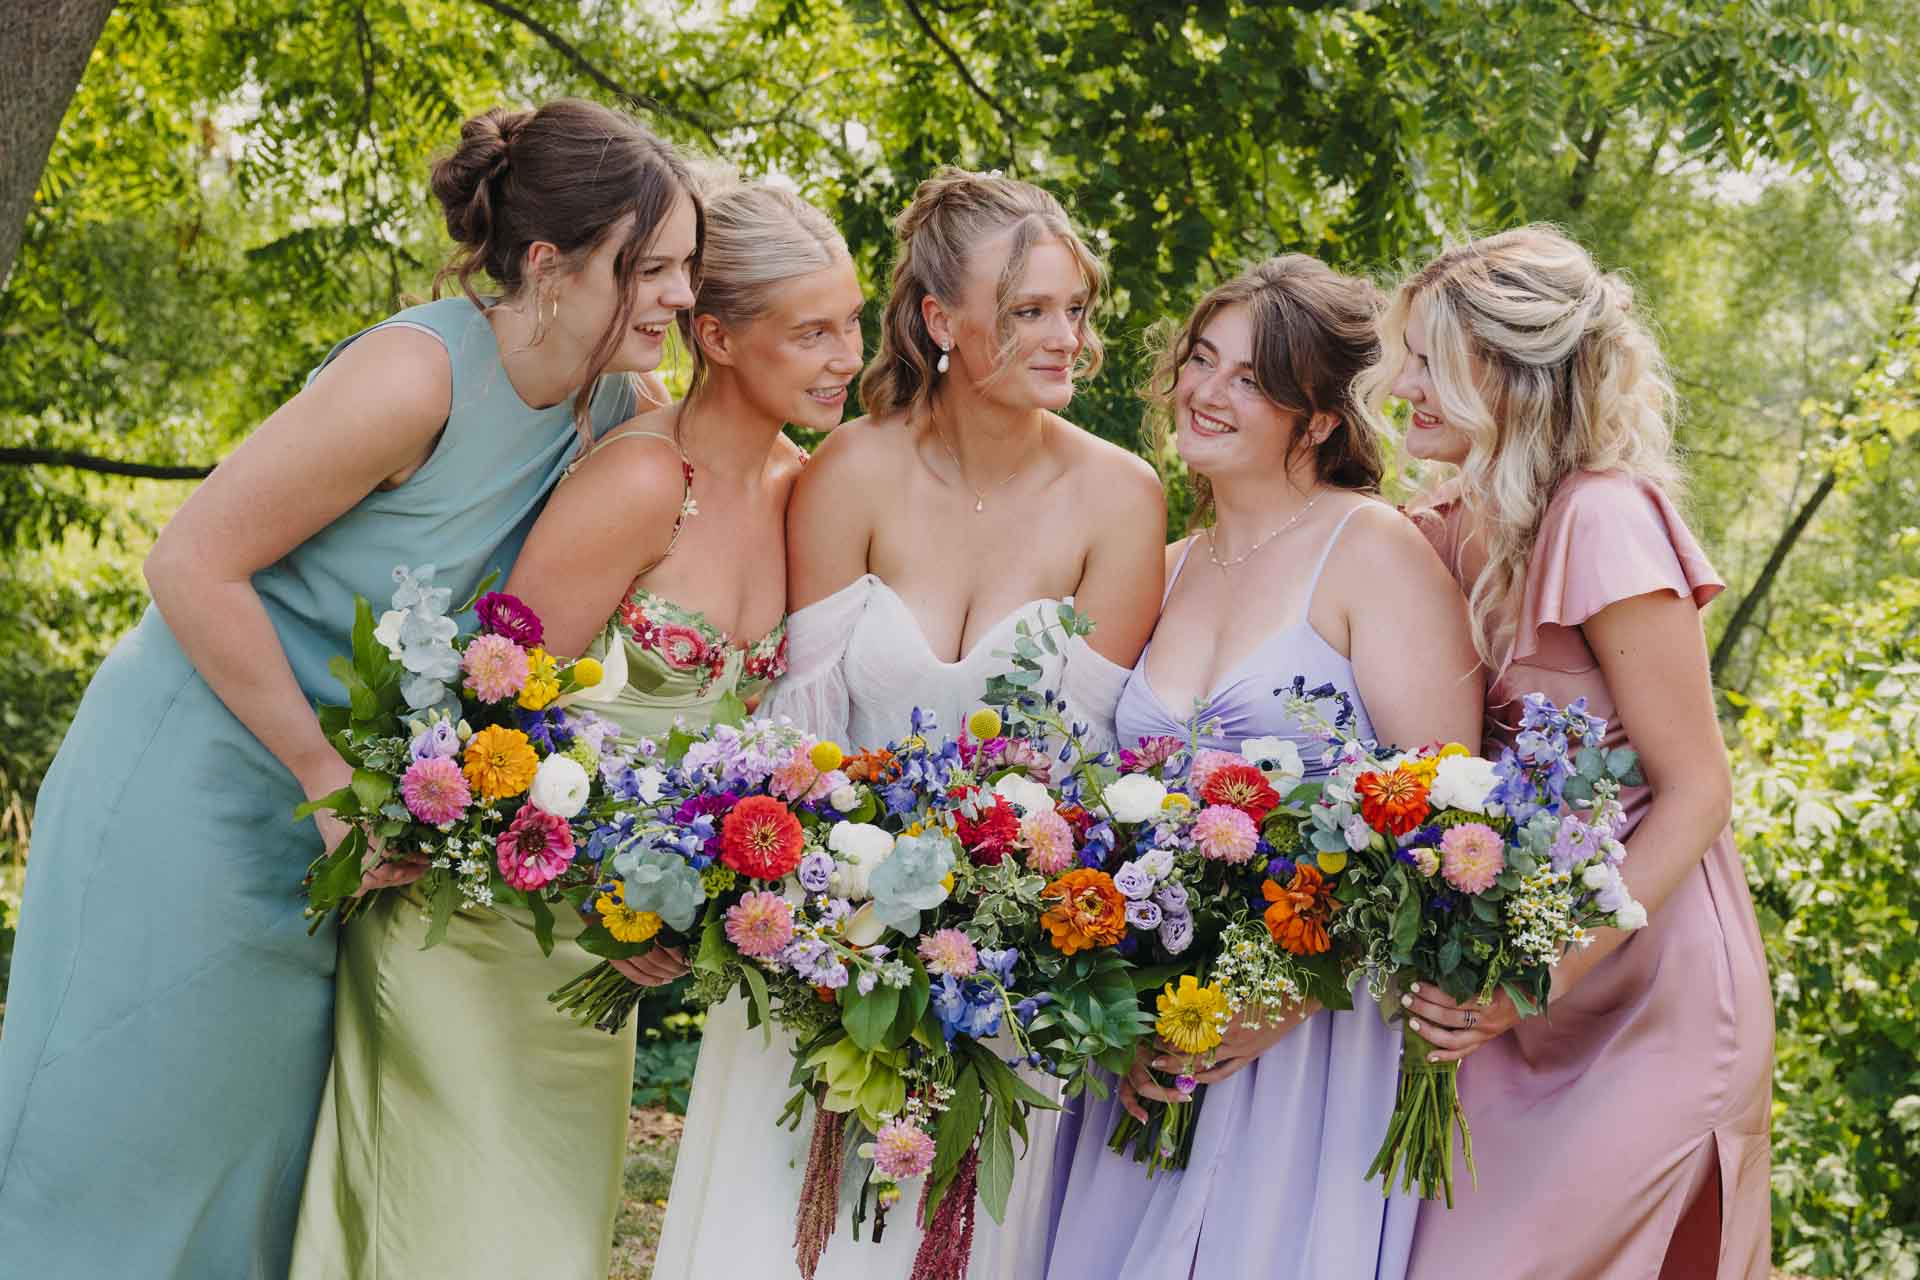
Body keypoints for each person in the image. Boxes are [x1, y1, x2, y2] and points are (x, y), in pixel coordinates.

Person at [0, 98, 692, 1278]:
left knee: (253, 1149)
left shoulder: (614, 415)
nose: (682, 297)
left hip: (350, 823)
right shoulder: (415, 378)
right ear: (549, 265)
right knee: (128, 1130)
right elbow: (190, 560)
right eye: (657, 269)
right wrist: (325, 773)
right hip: (200, 775)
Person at [288, 180, 856, 1278]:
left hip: (601, 958)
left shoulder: (808, 487)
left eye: (853, 321)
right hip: (475, 930)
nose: (847, 354)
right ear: (720, 336)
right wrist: (608, 888)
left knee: (549, 1239)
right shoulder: (647, 478)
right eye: (814, 330)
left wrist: (680, 904)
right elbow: (499, 711)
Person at [652, 167, 1166, 1278]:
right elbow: (797, 741)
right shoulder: (850, 472)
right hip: (820, 954)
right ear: (941, 320)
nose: (1067, 336)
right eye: (1029, 310)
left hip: (1005, 981)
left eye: (1075, 308)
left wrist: (980, 932)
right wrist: (839, 936)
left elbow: (1086, 780)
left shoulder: (1123, 498)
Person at [1042, 255, 1482, 1278]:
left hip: (1308, 1040)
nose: (1205, 390)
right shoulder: (1164, 566)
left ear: (1320, 417)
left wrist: (1277, 1000)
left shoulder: (1371, 549)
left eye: (1247, 377)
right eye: (1201, 359)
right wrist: (1126, 1010)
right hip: (1157, 1032)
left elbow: (1445, 823)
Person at [1370, 225, 1773, 1278]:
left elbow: (1698, 790)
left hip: (1648, 989)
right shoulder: (1437, 529)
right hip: (1510, 998)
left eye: (1429, 359)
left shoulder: (1605, 518)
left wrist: (1533, 977)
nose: (1401, 383)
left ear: (1505, 371)